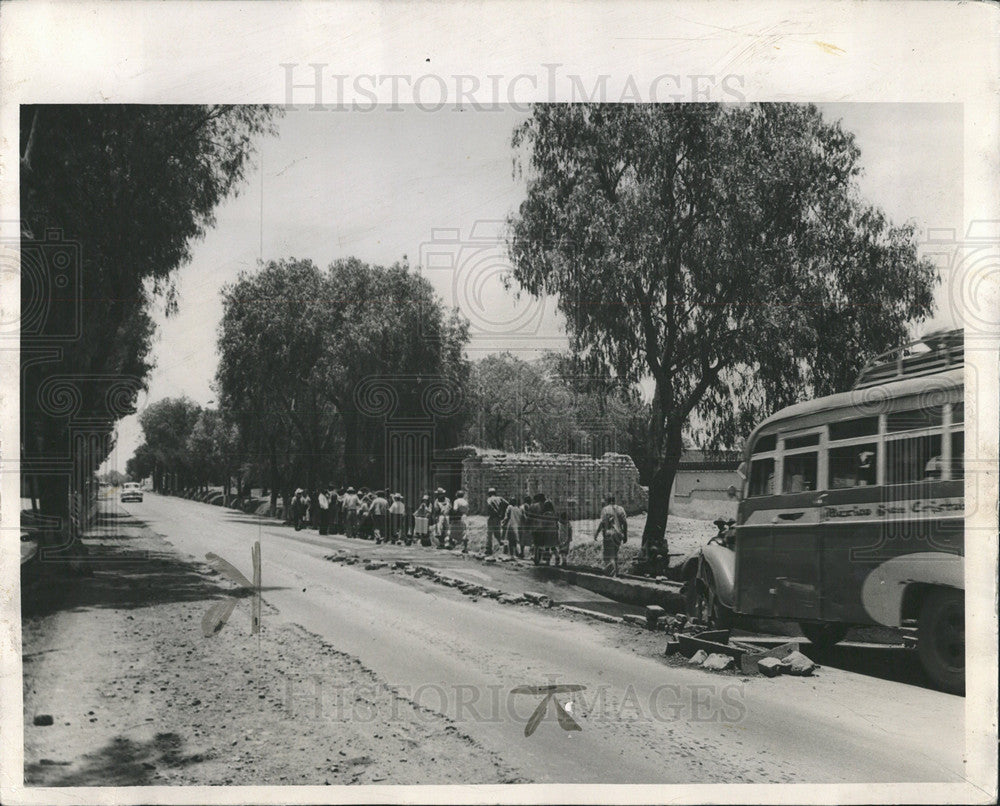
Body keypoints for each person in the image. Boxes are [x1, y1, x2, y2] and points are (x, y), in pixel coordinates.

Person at [594, 495, 628, 576]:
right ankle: (616, 573)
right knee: (615, 554)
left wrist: (596, 533)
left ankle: (609, 574)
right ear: (614, 501)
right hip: (618, 534)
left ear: (607, 501)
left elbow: (602, 523)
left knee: (607, 554)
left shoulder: (605, 509)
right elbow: (625, 523)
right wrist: (625, 535)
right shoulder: (621, 509)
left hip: (608, 534)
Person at [485, 488, 509, 556]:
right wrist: (502, 513)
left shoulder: (489, 499)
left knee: (489, 534)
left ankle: (488, 549)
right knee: (498, 533)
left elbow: (490, 506)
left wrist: (495, 512)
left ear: (489, 494)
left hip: (492, 517)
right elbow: (507, 504)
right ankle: (504, 546)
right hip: (498, 518)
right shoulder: (500, 498)